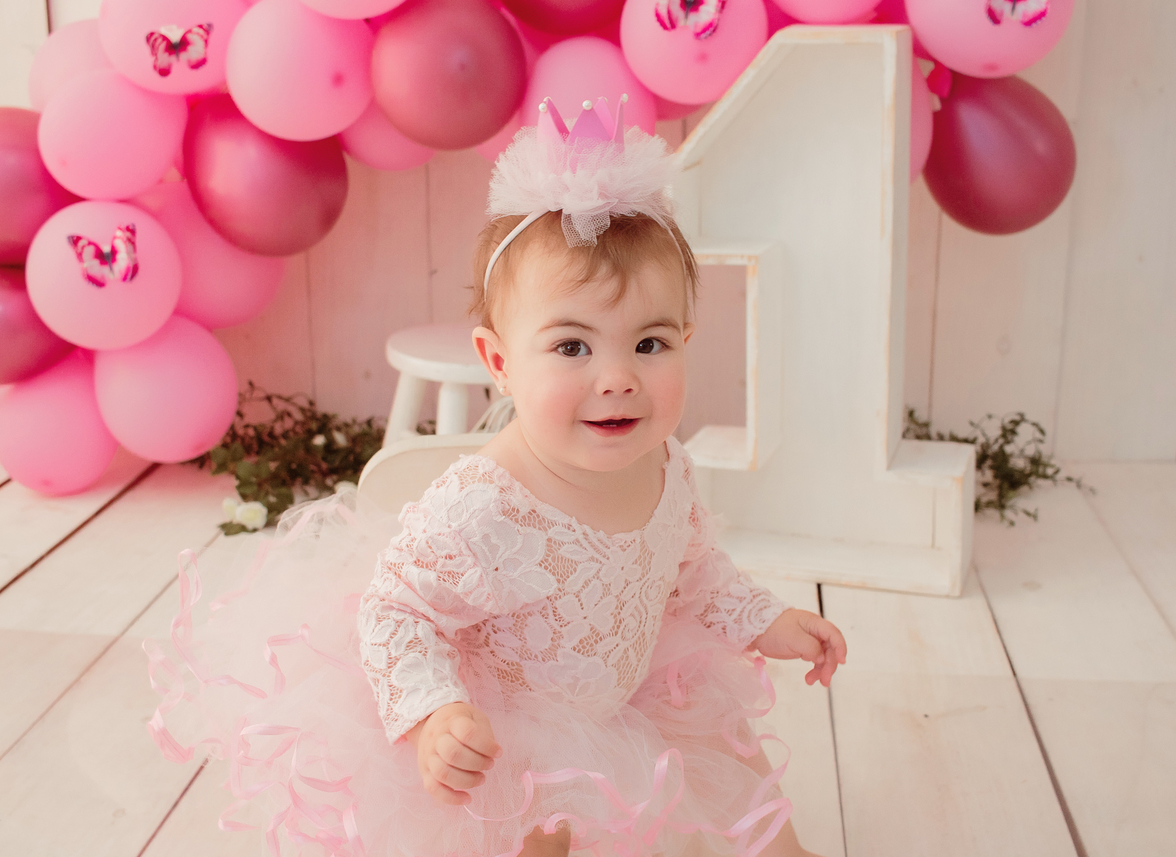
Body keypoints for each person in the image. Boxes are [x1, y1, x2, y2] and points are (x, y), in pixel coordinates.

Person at [147, 96, 845, 857]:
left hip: (629, 686)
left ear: (687, 337)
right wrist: (435, 715)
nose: (618, 377)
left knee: (734, 767)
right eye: (572, 347)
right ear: (500, 362)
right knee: (526, 826)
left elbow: (693, 567)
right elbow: (395, 611)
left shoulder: (666, 463)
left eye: (650, 344)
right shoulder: (485, 506)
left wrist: (768, 620)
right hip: (512, 727)